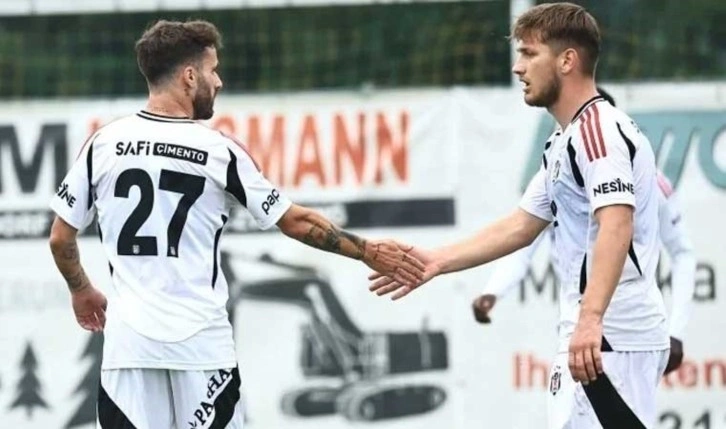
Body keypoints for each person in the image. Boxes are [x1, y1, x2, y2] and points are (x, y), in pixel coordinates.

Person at [48, 20, 423, 429]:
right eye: (212, 70)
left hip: (130, 350)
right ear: (189, 77)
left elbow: (60, 238)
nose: (219, 81)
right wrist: (368, 252)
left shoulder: (103, 144)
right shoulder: (218, 150)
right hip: (201, 347)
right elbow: (296, 222)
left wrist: (81, 290)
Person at [369, 3, 669, 428]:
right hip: (597, 335)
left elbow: (617, 223)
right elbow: (521, 225)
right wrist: (434, 261)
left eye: (529, 54)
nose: (518, 67)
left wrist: (591, 319)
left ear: (567, 60)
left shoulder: (597, 131)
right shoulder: (564, 139)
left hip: (613, 337)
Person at [472, 90, 696, 376]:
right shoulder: (556, 174)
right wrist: (493, 290)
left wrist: (677, 331)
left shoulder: (649, 181)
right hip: (574, 329)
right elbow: (521, 242)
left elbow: (682, 254)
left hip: (629, 331)